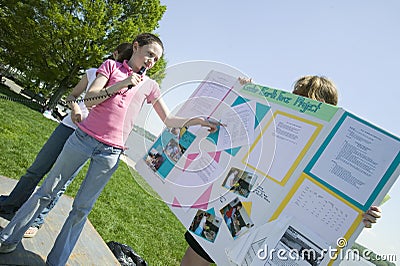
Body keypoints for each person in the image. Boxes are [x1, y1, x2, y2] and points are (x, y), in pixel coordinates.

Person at [0, 33, 219, 265]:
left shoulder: (151, 86)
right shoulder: (111, 66)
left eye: (156, 59)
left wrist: (196, 120)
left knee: (81, 209)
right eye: (149, 54)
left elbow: (169, 120)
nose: (151, 62)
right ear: (136, 47)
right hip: (82, 139)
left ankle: (56, 262)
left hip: (111, 153)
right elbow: (90, 99)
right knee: (47, 191)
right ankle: (8, 238)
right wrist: (123, 83)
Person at [180, 75, 383, 266]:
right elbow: (236, 132)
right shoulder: (273, 118)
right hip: (230, 203)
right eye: (297, 98)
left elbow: (340, 202)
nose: (300, 106)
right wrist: (246, 91)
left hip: (271, 229)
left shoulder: (330, 152)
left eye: (308, 102)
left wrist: (361, 215)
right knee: (197, 251)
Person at [0, 43, 133, 238]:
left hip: (87, 136)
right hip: (68, 127)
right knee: (36, 170)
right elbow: (72, 96)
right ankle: (11, 204)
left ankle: (37, 221)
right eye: (121, 59)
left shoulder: (126, 86)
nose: (122, 65)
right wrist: (76, 109)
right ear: (115, 54)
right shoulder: (92, 73)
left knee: (61, 183)